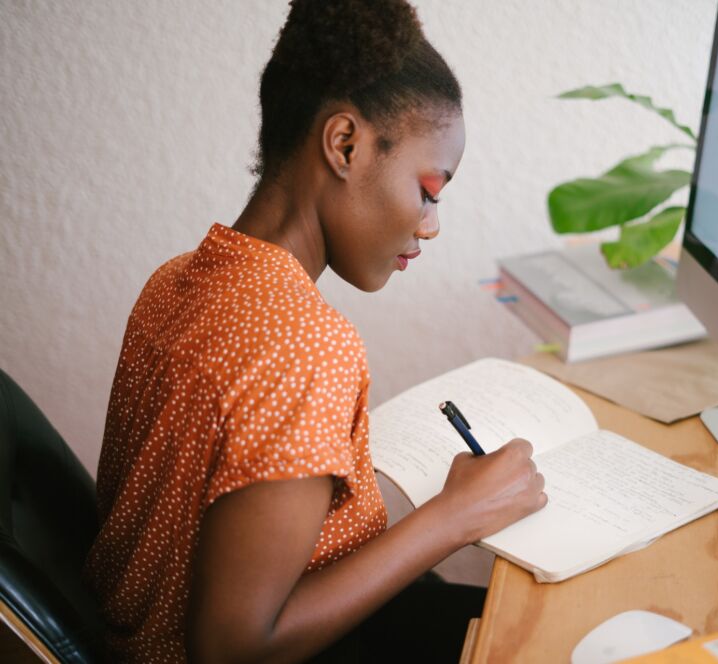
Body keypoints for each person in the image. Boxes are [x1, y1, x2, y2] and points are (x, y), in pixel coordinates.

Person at [83, 1, 547, 662]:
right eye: (429, 190)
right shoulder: (305, 345)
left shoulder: (177, 279)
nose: (430, 224)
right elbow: (234, 648)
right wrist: (453, 518)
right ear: (345, 144)